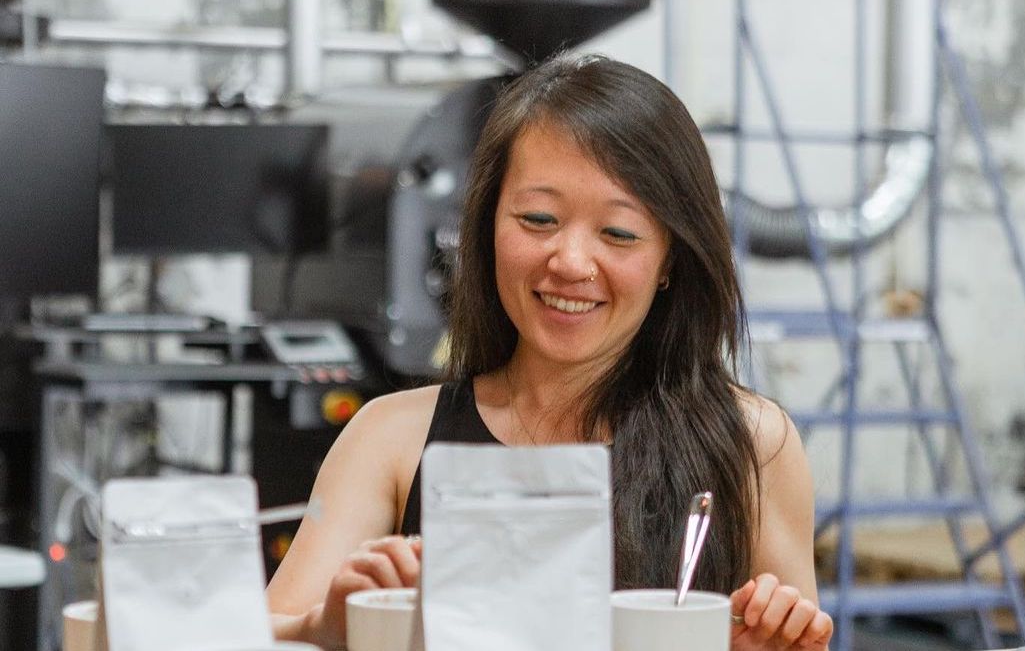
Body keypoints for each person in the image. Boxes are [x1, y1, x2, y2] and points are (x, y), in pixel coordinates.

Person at [268, 54, 833, 651]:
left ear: (671, 258)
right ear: (486, 227)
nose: (569, 262)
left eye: (618, 233)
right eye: (538, 219)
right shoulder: (392, 438)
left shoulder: (753, 444)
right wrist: (321, 630)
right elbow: (260, 634)